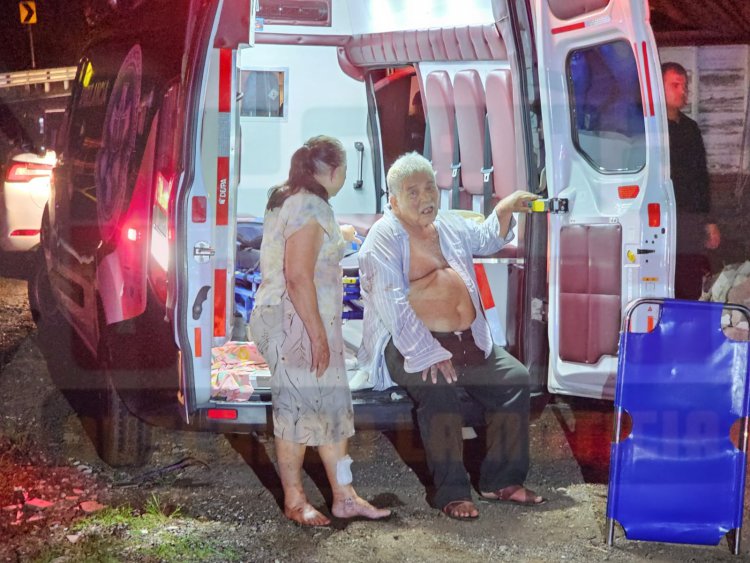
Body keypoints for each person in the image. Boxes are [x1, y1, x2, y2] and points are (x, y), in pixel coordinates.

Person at [357, 152, 544, 520]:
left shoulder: (449, 224)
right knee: (438, 391)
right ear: (393, 200)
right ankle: (452, 491)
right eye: (413, 192)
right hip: (410, 342)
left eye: (430, 188)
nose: (425, 197)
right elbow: (392, 303)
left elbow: (489, 237)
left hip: (468, 339)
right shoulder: (384, 236)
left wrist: (505, 206)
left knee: (516, 380)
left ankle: (501, 480)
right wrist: (427, 351)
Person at [249, 136, 391, 526]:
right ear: (332, 170)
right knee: (296, 410)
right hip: (293, 320)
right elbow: (296, 278)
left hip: (308, 320)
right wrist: (315, 336)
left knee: (333, 408)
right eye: (344, 169)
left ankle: (344, 495)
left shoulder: (293, 198)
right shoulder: (309, 206)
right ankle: (294, 501)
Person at [662, 62, 720, 299]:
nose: (682, 91)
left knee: (689, 281)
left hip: (689, 221)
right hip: (659, 218)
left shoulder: (690, 129)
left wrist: (709, 222)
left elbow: (700, 177)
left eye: (684, 86)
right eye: (675, 85)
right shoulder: (647, 127)